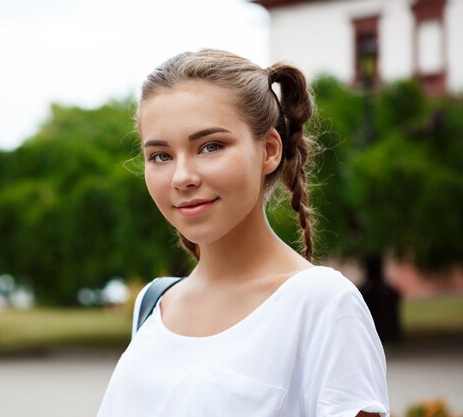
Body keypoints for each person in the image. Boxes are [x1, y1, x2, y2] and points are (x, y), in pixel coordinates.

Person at [96, 49, 389, 417]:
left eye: (210, 146)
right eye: (160, 155)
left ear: (268, 150)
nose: (182, 177)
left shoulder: (322, 303)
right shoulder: (154, 303)